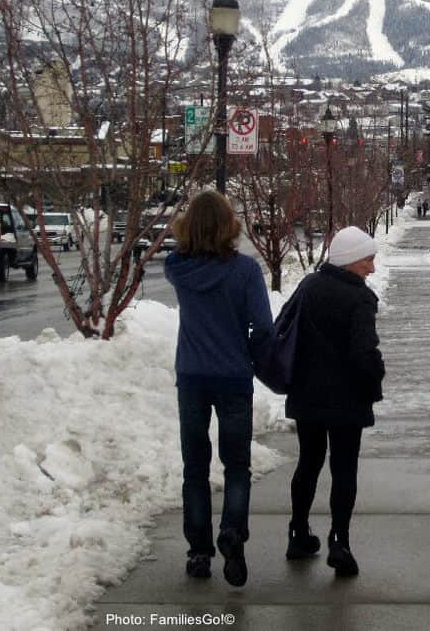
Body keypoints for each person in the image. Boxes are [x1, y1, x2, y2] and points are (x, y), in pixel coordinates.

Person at [164, 191, 273, 587]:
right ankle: (232, 533)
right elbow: (262, 325)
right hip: (232, 376)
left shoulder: (177, 268)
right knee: (237, 465)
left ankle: (198, 552)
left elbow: (175, 256)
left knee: (194, 467)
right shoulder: (245, 271)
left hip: (191, 375)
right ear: (229, 226)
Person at [284, 225, 385, 577]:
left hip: (306, 394)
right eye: (367, 261)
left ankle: (298, 533)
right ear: (349, 260)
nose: (372, 268)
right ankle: (339, 542)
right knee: (344, 469)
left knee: (308, 463)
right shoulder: (359, 299)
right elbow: (364, 352)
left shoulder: (308, 286)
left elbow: (284, 326)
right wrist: (376, 378)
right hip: (347, 399)